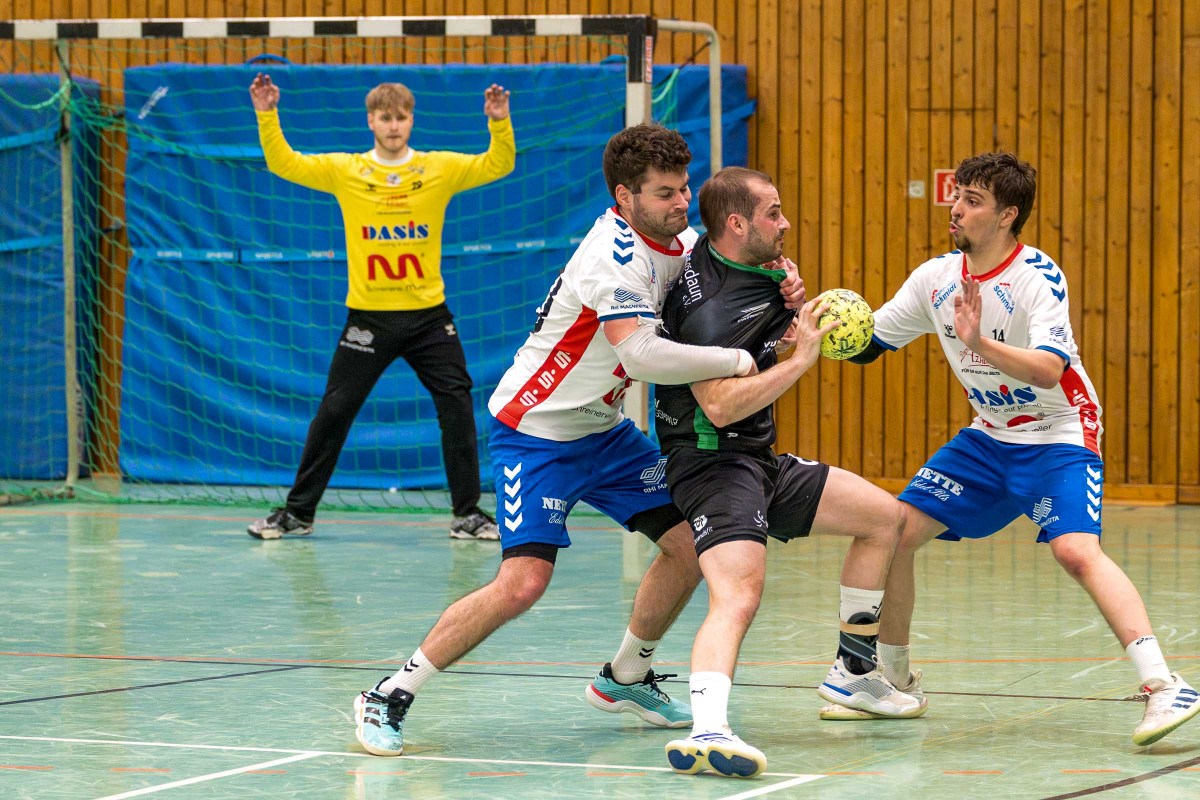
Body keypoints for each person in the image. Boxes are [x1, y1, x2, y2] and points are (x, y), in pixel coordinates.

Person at [351, 124, 807, 757]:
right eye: (665, 193)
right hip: (536, 433)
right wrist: (740, 362)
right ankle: (389, 693)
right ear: (625, 196)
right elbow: (641, 356)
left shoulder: (682, 241)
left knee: (687, 544)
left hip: (605, 431)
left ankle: (626, 675)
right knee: (523, 583)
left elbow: (737, 267)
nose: (682, 203)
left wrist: (780, 282)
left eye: (684, 188)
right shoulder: (611, 258)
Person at [847, 151, 1198, 746]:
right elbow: (867, 345)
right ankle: (894, 678)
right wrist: (807, 315)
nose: (956, 209)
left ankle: (1165, 685)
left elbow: (1048, 368)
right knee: (893, 532)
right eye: (957, 197)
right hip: (989, 435)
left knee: (1075, 551)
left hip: (1059, 428)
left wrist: (978, 342)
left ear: (1008, 215)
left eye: (973, 201)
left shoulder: (1036, 276)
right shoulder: (934, 278)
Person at [653, 167, 925, 780]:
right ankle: (707, 730)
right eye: (773, 213)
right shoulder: (711, 311)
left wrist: (790, 301)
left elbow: (758, 330)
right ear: (737, 223)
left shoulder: (741, 263)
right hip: (713, 464)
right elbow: (719, 405)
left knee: (884, 518)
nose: (786, 223)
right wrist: (801, 357)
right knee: (738, 593)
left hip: (757, 459)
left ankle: (854, 672)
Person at [245, 73, 516, 541]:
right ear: (371, 121)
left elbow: (499, 164)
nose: (394, 125)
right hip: (368, 318)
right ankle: (298, 513)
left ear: (412, 121)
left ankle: (467, 514)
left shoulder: (438, 168)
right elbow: (284, 162)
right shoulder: (347, 170)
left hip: (429, 317)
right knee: (335, 410)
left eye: (401, 117)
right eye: (385, 117)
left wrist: (499, 122)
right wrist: (267, 114)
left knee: (456, 404)